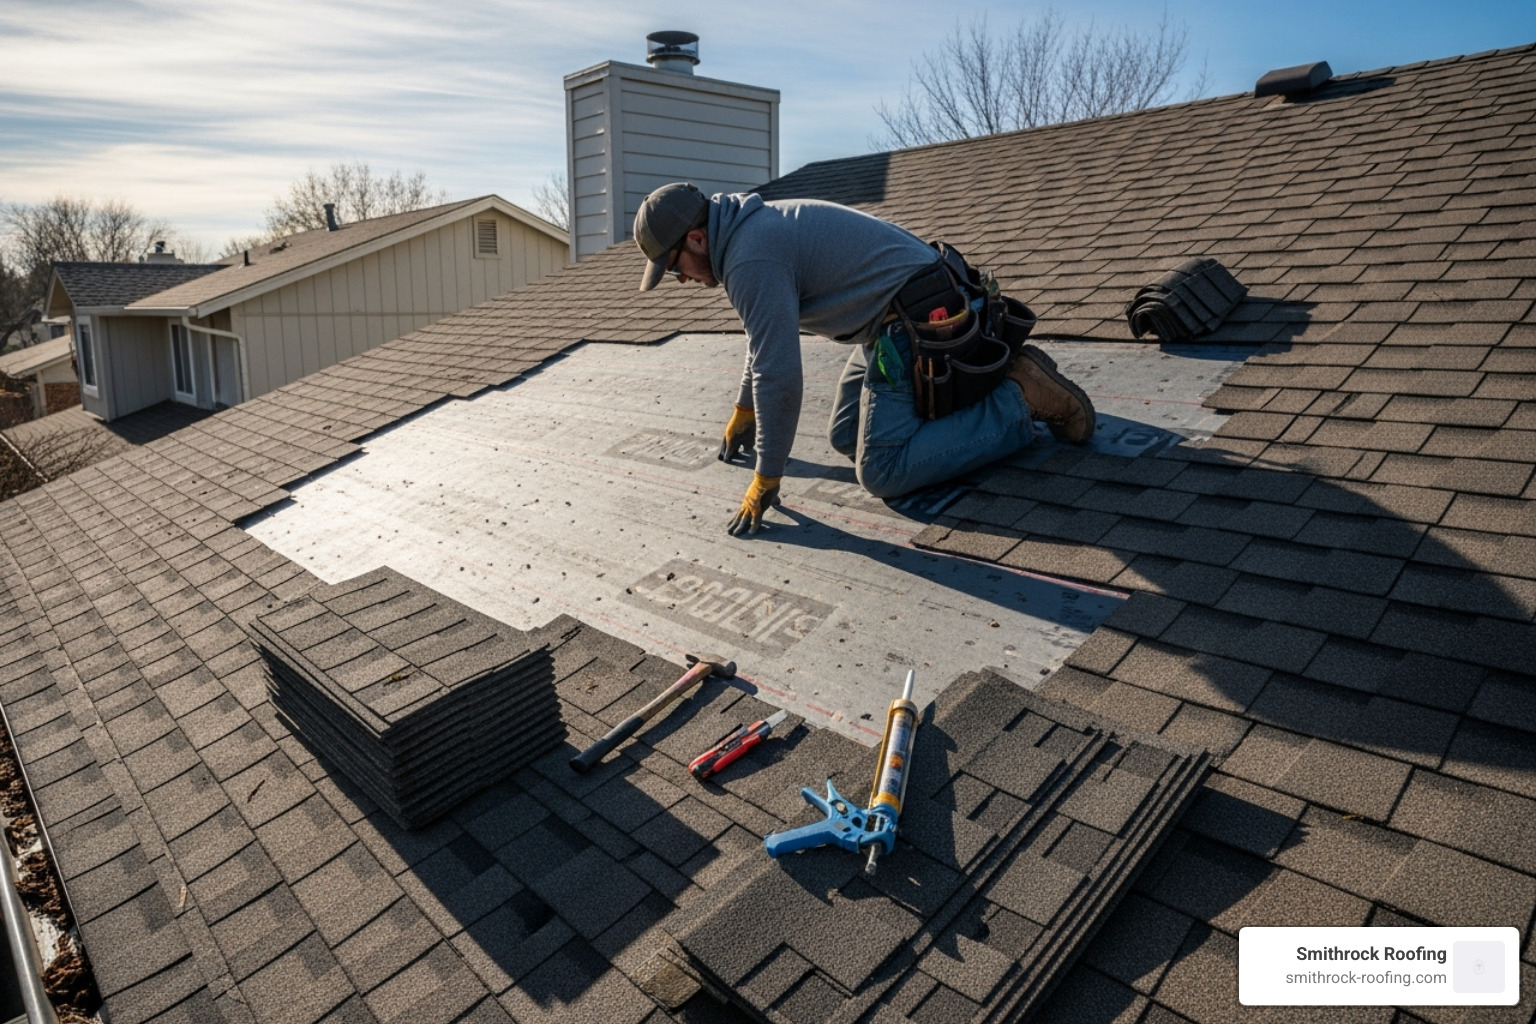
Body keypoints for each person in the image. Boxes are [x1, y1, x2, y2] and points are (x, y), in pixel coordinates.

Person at [634, 182, 1095, 536]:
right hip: (895, 314)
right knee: (843, 437)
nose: (680, 280)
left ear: (696, 239)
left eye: (673, 268)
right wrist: (744, 410)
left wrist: (767, 475)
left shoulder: (749, 257)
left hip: (918, 318)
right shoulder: (748, 230)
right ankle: (984, 391)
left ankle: (1018, 399)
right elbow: (763, 343)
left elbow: (780, 375)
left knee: (882, 471)